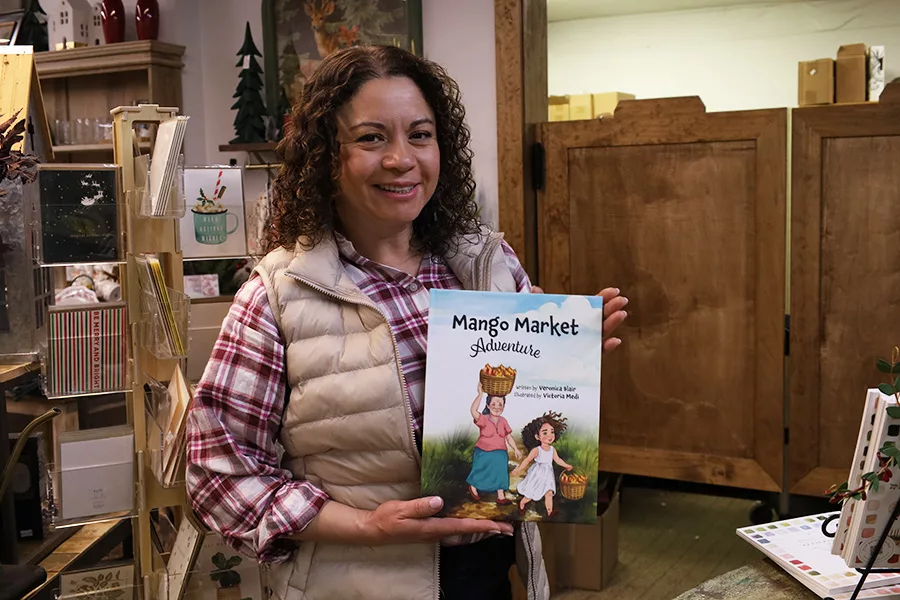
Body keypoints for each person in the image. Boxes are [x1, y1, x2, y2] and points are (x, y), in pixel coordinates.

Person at [185, 44, 629, 600]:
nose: (402, 158)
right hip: (357, 581)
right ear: (327, 155)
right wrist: (365, 526)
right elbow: (218, 478)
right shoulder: (277, 297)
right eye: (372, 138)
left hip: (490, 574)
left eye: (420, 134)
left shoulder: (487, 264)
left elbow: (518, 421)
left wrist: (566, 367)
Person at [466, 382, 521, 504]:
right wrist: (480, 394)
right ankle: (473, 486)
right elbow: (473, 410)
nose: (497, 406)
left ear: (504, 406)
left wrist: (516, 449)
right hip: (483, 452)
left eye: (500, 404)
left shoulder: (503, 421)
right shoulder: (483, 419)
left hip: (500, 452)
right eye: (494, 404)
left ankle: (500, 496)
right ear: (488, 405)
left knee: (501, 472)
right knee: (481, 470)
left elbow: (509, 437)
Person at [511, 412, 573, 518]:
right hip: (538, 474)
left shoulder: (552, 449)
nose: (549, 436)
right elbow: (527, 460)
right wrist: (519, 469)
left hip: (548, 474)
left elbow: (557, 460)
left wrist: (566, 465)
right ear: (537, 436)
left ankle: (550, 512)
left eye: (552, 432)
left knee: (549, 493)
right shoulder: (537, 450)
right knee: (531, 493)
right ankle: (522, 503)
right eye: (545, 433)